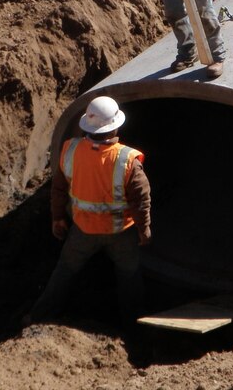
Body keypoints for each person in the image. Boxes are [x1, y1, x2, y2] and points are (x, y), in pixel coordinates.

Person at [28, 96, 151, 326]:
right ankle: (134, 328)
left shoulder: (70, 149)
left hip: (82, 230)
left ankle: (39, 316)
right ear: (115, 125)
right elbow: (140, 199)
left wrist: (57, 218)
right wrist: (144, 230)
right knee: (130, 278)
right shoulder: (127, 159)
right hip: (120, 233)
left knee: (64, 271)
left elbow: (58, 188)